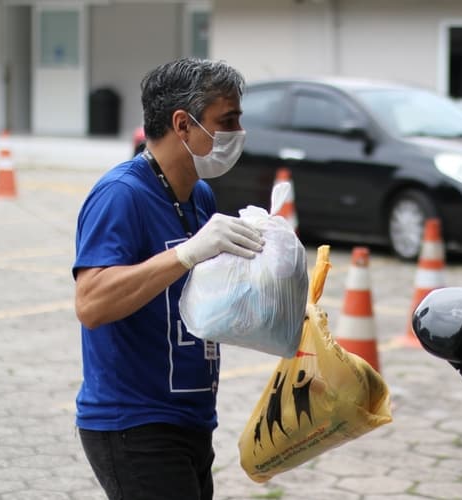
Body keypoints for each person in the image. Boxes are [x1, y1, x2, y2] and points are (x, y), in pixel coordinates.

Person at [73, 58, 264, 499]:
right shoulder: (121, 195)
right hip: (134, 425)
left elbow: (197, 300)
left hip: (191, 417)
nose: (237, 133)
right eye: (227, 120)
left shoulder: (198, 194)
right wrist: (185, 253)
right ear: (183, 124)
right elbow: (91, 303)